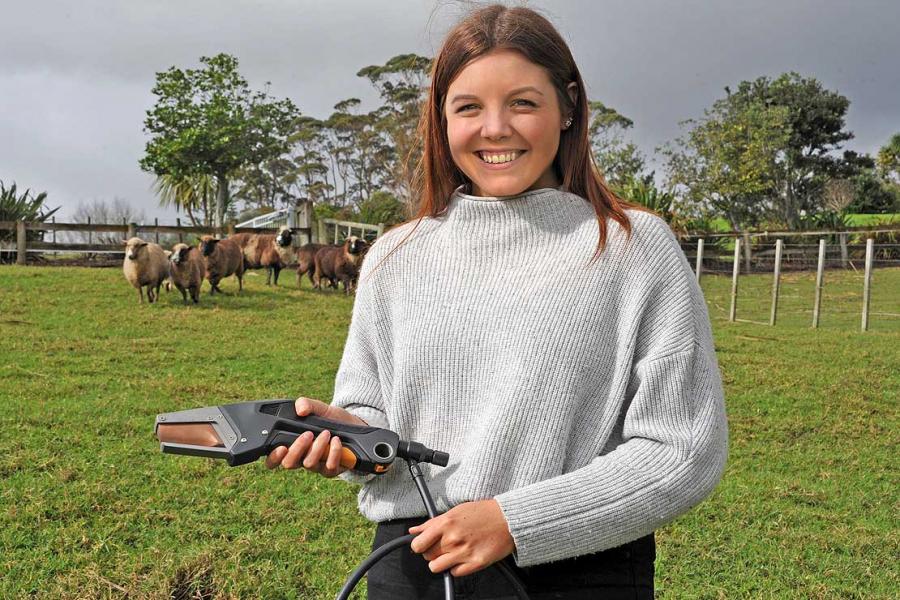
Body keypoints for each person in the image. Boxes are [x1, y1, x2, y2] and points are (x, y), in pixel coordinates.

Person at [265, 4, 728, 599]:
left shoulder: (633, 248)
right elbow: (374, 417)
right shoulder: (394, 257)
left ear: (568, 107)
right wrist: (350, 437)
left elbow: (684, 448)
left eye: (523, 103)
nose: (495, 128)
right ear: (441, 119)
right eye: (468, 108)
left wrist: (516, 522)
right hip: (412, 564)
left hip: (575, 573)